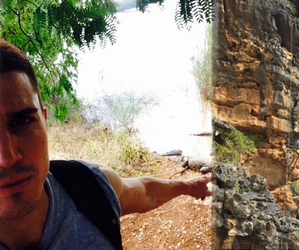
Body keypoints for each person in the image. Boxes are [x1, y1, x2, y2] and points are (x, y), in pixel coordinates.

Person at [0, 39, 212, 250]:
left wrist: (190, 187)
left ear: (44, 121)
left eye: (22, 121)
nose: (7, 158)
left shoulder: (89, 187)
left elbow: (145, 192)